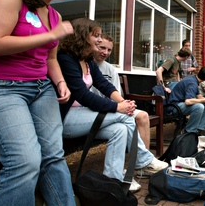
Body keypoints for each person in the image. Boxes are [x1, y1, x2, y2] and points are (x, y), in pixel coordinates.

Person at [0, 0, 76, 205]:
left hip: (42, 89)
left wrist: (60, 82)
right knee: (25, 162)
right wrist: (51, 36)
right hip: (3, 88)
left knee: (54, 156)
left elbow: (50, 60)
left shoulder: (54, 15)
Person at [58, 18, 167, 192]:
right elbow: (83, 95)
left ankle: (113, 179)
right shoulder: (66, 59)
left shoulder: (88, 61)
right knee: (125, 116)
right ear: (82, 36)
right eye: (97, 36)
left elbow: (104, 85)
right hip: (66, 119)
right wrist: (119, 108)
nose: (100, 40)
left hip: (84, 115)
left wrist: (123, 102)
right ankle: (143, 160)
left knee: (120, 129)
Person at [91, 33, 152, 151]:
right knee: (123, 126)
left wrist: (126, 105)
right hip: (93, 109)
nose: (106, 52)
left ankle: (145, 160)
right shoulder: (86, 65)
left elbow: (116, 93)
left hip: (112, 107)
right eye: (102, 48)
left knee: (143, 116)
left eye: (109, 50)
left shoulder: (110, 69)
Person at [168, 67, 205, 134]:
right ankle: (189, 131)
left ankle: (199, 129)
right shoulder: (192, 83)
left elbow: (198, 96)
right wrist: (204, 100)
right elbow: (188, 101)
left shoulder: (194, 79)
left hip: (180, 104)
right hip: (175, 106)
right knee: (199, 107)